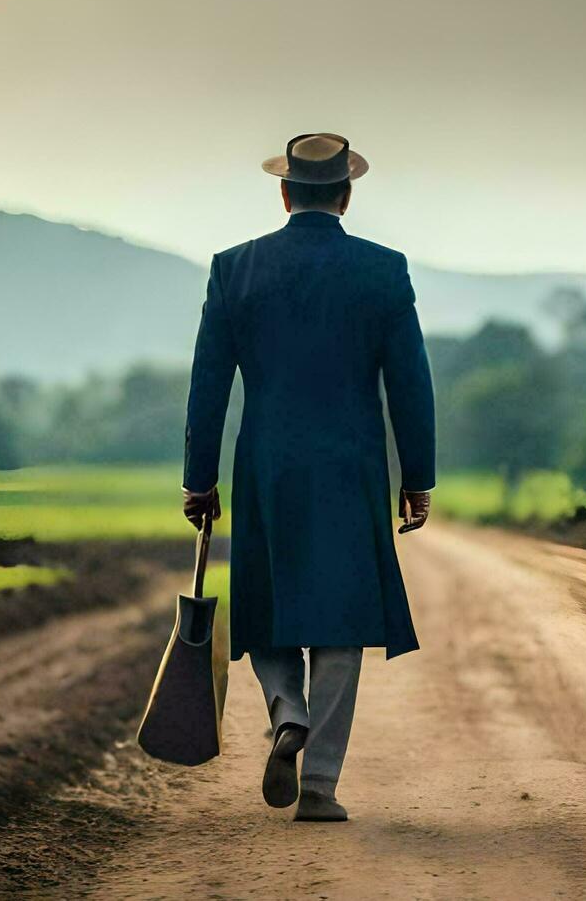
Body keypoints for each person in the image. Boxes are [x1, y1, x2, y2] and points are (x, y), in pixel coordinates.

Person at [181, 133, 436, 822]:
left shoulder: (235, 269)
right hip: (352, 467)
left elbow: (209, 384)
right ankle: (320, 784)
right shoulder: (384, 270)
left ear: (285, 192)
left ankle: (285, 709)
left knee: (266, 610)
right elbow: (410, 383)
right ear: (346, 195)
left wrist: (198, 479)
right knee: (341, 623)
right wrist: (418, 478)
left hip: (265, 463)